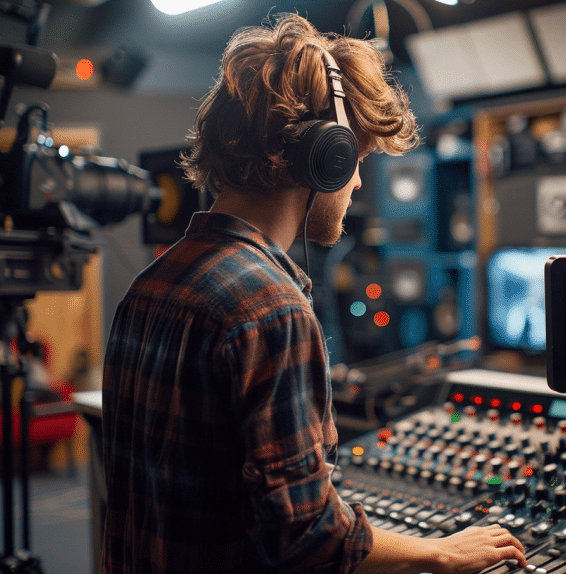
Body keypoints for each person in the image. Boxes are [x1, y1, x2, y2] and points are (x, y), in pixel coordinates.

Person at [100, 12, 527, 574]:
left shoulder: (150, 285)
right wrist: (440, 549)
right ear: (324, 157)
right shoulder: (269, 310)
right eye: (357, 160)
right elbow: (306, 539)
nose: (354, 183)